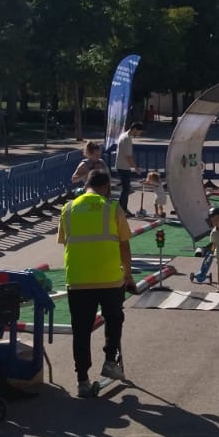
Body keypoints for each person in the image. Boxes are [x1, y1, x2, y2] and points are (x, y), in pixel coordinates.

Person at [58, 167, 137, 397]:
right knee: (114, 318)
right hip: (109, 278)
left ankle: (82, 379)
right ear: (106, 187)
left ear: (86, 185)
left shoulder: (68, 208)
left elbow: (65, 242)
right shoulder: (112, 207)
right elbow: (124, 245)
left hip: (77, 279)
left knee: (81, 330)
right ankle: (110, 360)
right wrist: (129, 276)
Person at [115, 122, 141, 214]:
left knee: (126, 188)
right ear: (134, 129)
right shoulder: (126, 139)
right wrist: (136, 168)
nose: (139, 135)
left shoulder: (124, 135)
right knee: (126, 189)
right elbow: (128, 156)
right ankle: (121, 209)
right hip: (123, 166)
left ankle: (123, 208)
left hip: (122, 165)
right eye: (139, 132)